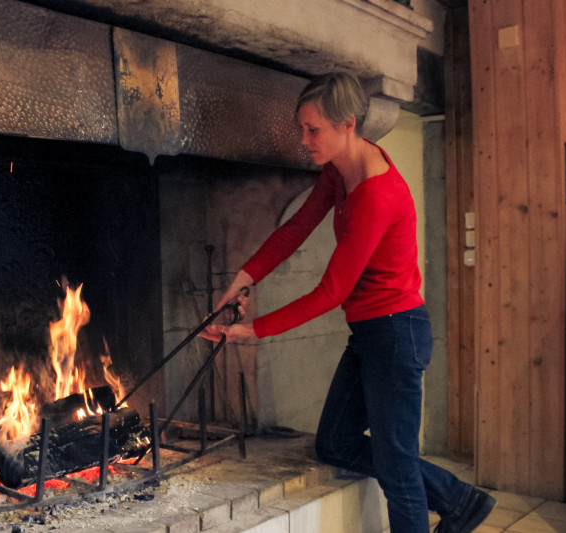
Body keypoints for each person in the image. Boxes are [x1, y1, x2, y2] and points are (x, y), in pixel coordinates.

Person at [201, 72, 496, 533]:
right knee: (336, 444)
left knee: (398, 471)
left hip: (396, 333)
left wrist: (252, 330)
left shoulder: (376, 194)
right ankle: (459, 499)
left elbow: (331, 292)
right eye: (302, 128)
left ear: (347, 124)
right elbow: (297, 227)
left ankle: (457, 503)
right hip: (371, 332)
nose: (304, 140)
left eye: (312, 130)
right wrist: (243, 279)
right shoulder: (339, 168)